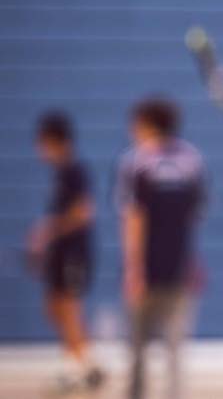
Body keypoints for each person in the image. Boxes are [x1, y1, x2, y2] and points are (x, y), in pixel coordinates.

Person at [115, 97, 206, 399]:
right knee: (175, 349)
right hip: (179, 266)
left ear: (147, 125)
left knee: (137, 349)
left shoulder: (136, 162)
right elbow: (193, 217)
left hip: (147, 268)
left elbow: (133, 218)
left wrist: (133, 268)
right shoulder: (191, 160)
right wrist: (193, 261)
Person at [28, 111, 105, 394]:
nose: (40, 150)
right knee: (54, 307)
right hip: (60, 253)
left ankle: (74, 369)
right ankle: (88, 364)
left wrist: (48, 230)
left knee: (69, 308)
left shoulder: (75, 171)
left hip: (74, 253)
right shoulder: (60, 174)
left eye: (43, 143)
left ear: (55, 141)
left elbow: (84, 212)